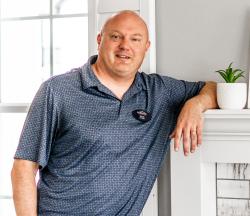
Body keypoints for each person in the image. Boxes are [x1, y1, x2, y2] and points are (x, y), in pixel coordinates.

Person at [11, 10, 217, 215]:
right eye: (116, 36)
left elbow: (214, 89)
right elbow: (24, 167)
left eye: (135, 39)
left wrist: (196, 105)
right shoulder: (57, 91)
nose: (125, 46)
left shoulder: (159, 93)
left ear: (146, 47)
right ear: (100, 40)